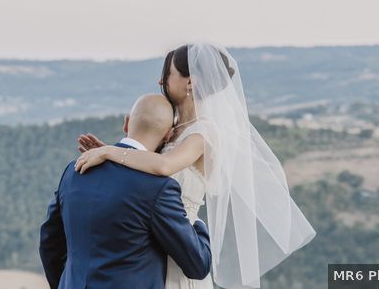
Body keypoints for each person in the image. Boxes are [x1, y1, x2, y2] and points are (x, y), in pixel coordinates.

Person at [75, 43, 316, 289]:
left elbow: (164, 166)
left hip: (180, 252)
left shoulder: (204, 133)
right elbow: (147, 175)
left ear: (190, 83)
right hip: (150, 253)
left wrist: (112, 152)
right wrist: (117, 154)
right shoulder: (172, 130)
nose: (160, 81)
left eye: (167, 74)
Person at [39, 94, 212, 289]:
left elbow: (49, 243)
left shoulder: (74, 170)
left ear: (126, 123)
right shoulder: (158, 187)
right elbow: (198, 265)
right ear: (167, 135)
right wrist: (196, 220)